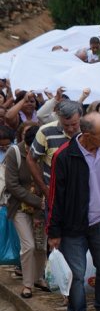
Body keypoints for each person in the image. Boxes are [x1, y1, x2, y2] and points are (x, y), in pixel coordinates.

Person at [47, 113, 100, 311]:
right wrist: (54, 231)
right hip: (72, 226)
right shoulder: (64, 155)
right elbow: (55, 197)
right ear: (87, 134)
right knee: (76, 274)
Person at [7, 125, 48, 299]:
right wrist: (38, 202)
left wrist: (43, 203)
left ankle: (39, 278)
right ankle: (27, 284)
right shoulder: (14, 153)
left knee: (41, 246)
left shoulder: (47, 153)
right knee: (28, 246)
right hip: (20, 207)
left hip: (42, 208)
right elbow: (12, 185)